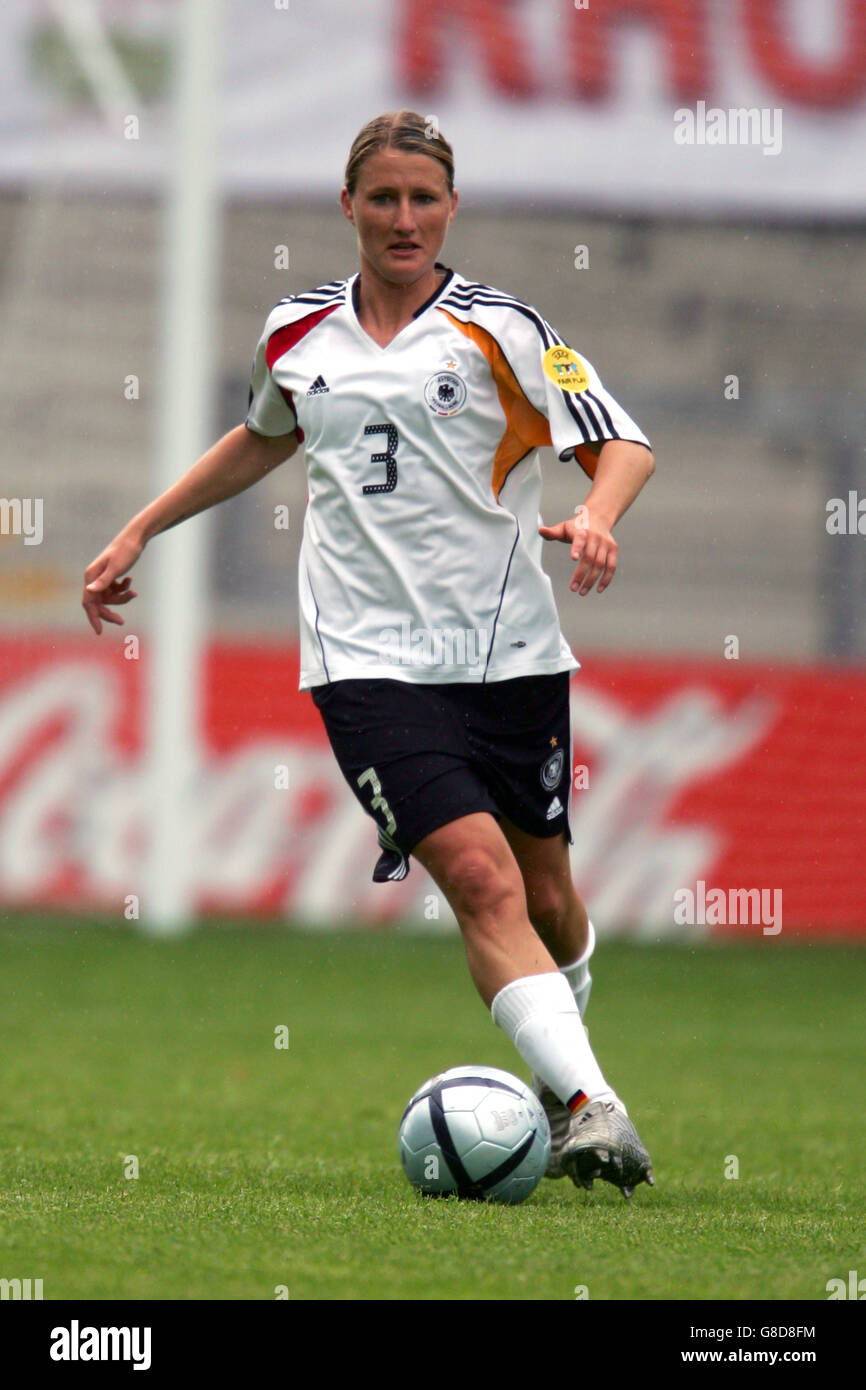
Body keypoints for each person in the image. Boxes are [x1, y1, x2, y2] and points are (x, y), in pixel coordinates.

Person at [83, 111, 655, 1198]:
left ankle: (557, 1063)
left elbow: (619, 443)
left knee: (545, 899)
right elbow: (264, 432)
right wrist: (139, 529)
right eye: (382, 198)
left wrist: (599, 514)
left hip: (507, 655)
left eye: (422, 198)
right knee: (478, 878)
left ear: (451, 206)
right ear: (346, 205)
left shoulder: (504, 329)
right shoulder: (297, 333)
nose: (403, 218)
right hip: (365, 663)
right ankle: (591, 1105)